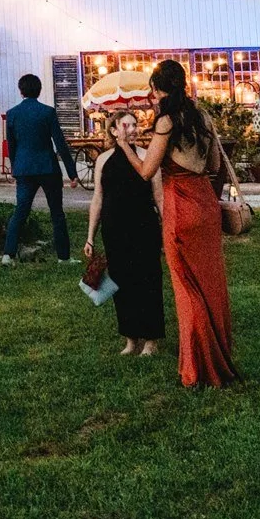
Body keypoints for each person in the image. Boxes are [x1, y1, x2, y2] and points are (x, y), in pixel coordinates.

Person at [129, 59, 241, 388]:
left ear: (158, 89)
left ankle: (196, 370)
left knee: (187, 290)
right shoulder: (202, 117)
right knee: (212, 287)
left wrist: (125, 146)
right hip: (205, 204)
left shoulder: (166, 121)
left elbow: (146, 171)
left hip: (180, 205)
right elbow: (216, 164)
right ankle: (220, 360)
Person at [82, 111, 164, 356]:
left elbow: (159, 196)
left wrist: (167, 225)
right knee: (122, 282)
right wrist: (90, 236)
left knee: (148, 280)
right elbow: (98, 197)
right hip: (114, 228)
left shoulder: (147, 158)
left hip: (144, 226)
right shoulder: (104, 160)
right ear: (114, 130)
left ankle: (151, 340)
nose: (132, 129)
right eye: (125, 125)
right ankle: (130, 338)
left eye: (134, 125)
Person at [0, 74, 83, 264]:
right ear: (40, 90)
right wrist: (72, 172)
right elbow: (60, 143)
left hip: (24, 168)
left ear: (21, 91)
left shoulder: (12, 114)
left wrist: (14, 168)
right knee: (57, 212)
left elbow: (11, 145)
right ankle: (63, 256)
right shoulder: (47, 112)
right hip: (47, 166)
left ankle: (8, 254)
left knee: (21, 210)